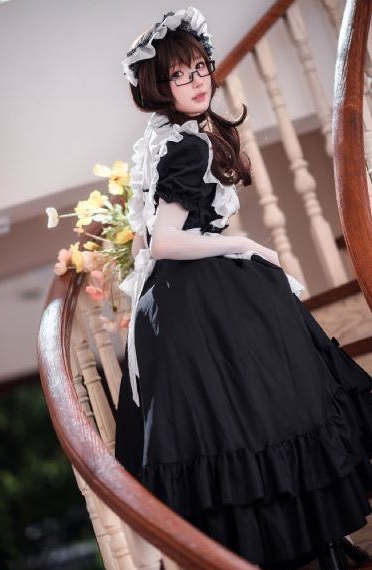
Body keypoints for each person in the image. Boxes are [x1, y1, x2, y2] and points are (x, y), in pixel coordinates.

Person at [114, 7, 372, 570]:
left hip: (186, 304)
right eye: (179, 74)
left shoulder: (168, 139)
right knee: (275, 412)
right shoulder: (185, 146)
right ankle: (318, 544)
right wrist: (245, 247)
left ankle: (311, 545)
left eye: (200, 67)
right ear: (158, 86)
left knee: (260, 422)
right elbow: (166, 242)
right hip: (207, 303)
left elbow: (154, 241)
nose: (196, 80)